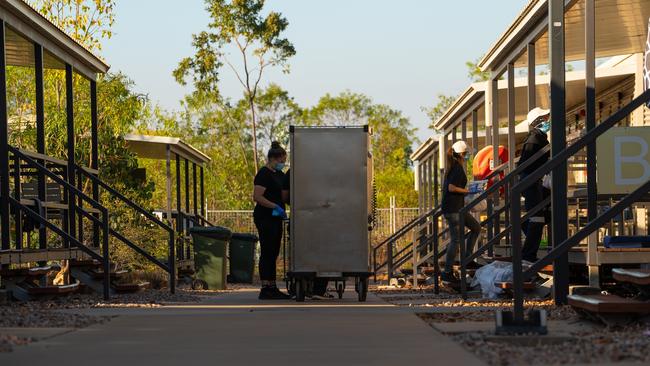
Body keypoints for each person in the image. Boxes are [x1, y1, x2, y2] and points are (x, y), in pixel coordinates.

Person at [282, 169, 332, 299]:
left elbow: (285, 196)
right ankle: (319, 289)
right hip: (323, 217)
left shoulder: (292, 171)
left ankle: (297, 286)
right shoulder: (326, 170)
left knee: (299, 252)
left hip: (299, 217)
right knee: (322, 251)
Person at [441, 140, 482, 285]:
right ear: (462, 154)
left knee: (476, 228)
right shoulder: (457, 168)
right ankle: (447, 272)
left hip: (457, 208)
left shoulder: (454, 167)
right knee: (456, 240)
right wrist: (468, 191)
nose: (468, 156)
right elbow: (452, 188)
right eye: (467, 154)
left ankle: (468, 260)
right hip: (453, 209)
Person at [253, 141, 291, 300]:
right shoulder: (263, 173)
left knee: (274, 251)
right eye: (281, 161)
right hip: (265, 217)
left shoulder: (280, 175)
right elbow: (257, 196)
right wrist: (274, 206)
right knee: (267, 251)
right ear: (273, 159)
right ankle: (265, 287)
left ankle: (272, 286)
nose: (283, 164)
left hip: (276, 217)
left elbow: (284, 195)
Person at [518, 107, 552, 262]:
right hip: (530, 182)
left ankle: (528, 251)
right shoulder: (535, 139)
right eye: (545, 118)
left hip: (532, 181)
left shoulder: (538, 137)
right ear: (538, 121)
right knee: (537, 219)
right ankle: (528, 256)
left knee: (543, 216)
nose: (548, 120)